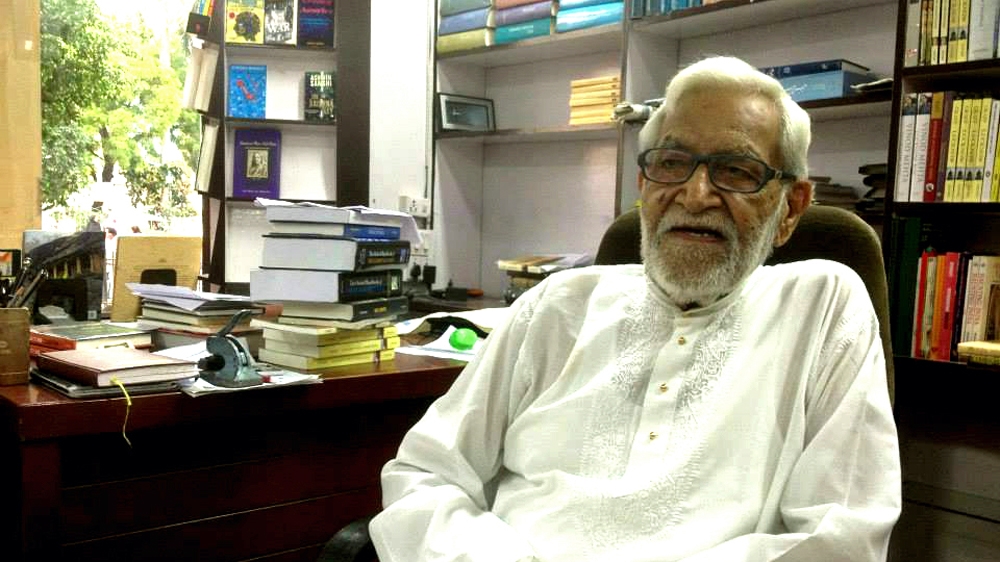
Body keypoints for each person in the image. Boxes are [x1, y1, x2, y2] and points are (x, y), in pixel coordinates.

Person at [370, 56, 901, 561]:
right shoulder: (557, 305)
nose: (695, 195)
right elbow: (426, 474)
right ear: (644, 186)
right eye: (672, 163)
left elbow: (841, 538)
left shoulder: (823, 306)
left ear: (790, 209)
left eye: (737, 171)